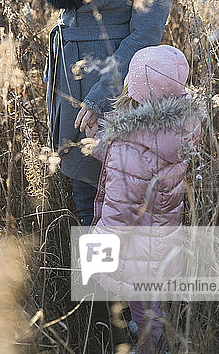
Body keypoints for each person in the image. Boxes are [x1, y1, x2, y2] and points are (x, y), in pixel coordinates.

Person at [40, 0, 177, 227]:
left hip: (112, 79)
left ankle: (107, 284)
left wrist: (102, 97)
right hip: (69, 72)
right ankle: (100, 282)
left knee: (106, 193)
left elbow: (146, 34)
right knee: (82, 189)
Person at [86, 45, 202, 354]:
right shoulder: (176, 129)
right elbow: (132, 155)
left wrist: (96, 250)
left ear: (135, 90)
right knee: (153, 296)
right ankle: (155, 335)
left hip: (136, 243)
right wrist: (102, 138)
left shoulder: (131, 147)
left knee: (142, 301)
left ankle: (150, 347)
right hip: (162, 235)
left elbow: (119, 210)